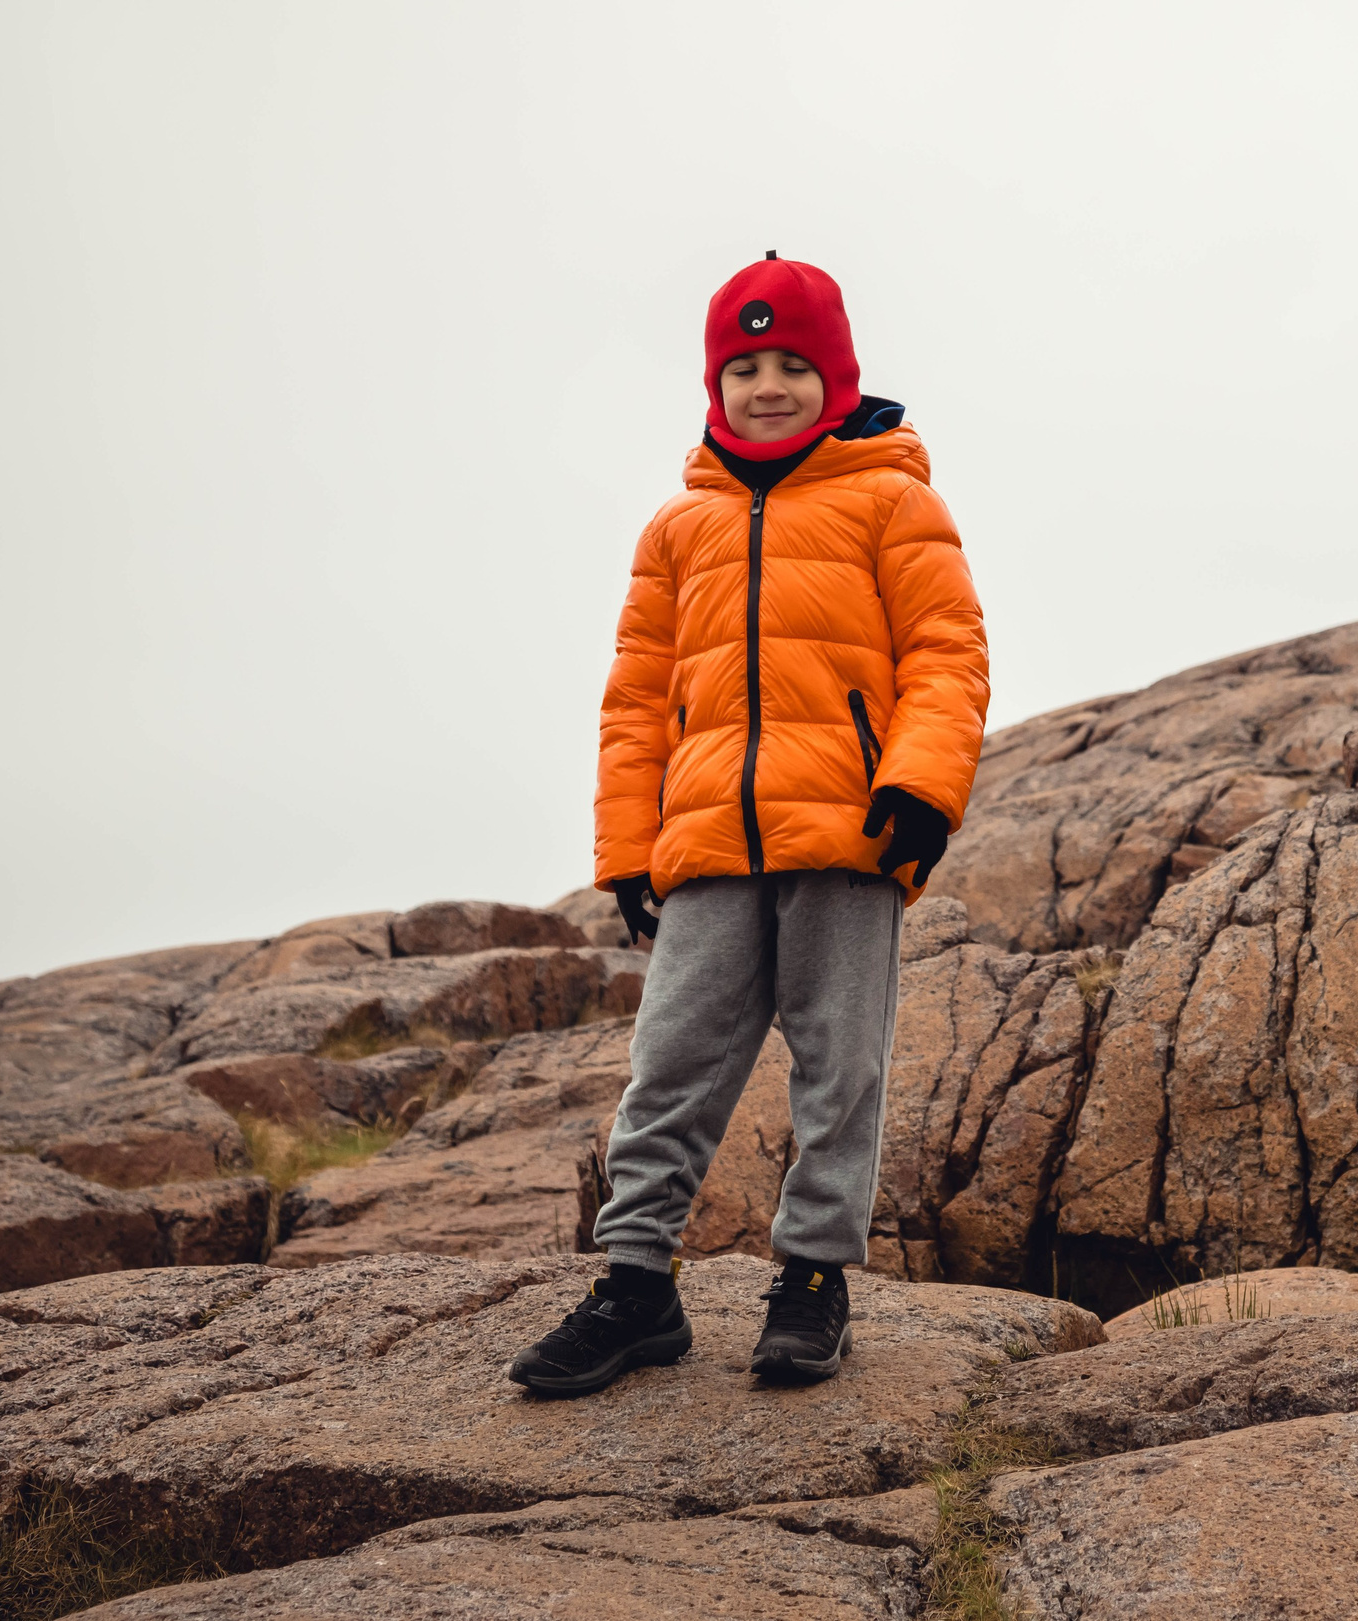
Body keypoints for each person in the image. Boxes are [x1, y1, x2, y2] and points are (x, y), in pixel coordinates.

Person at [507, 254, 989, 1396]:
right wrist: (628, 850)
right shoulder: (679, 528)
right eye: (744, 367)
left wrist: (920, 789)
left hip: (853, 836)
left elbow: (948, 654)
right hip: (709, 842)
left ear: (836, 376)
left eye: (791, 365)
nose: (768, 386)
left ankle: (813, 1279)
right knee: (668, 1061)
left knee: (839, 1066)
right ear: (714, 385)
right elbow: (637, 698)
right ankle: (636, 1284)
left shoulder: (894, 500)